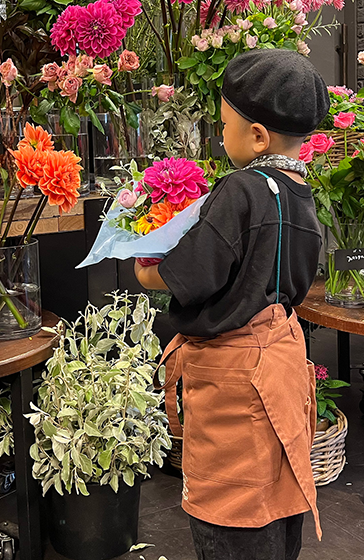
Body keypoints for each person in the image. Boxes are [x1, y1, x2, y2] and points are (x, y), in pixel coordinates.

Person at [134, 48, 328, 560]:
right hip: (282, 359)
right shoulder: (303, 195)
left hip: (233, 374)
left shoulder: (241, 190)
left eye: (225, 125)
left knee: (230, 511)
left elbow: (194, 275)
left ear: (258, 135)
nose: (221, 136)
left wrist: (145, 268)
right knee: (279, 494)